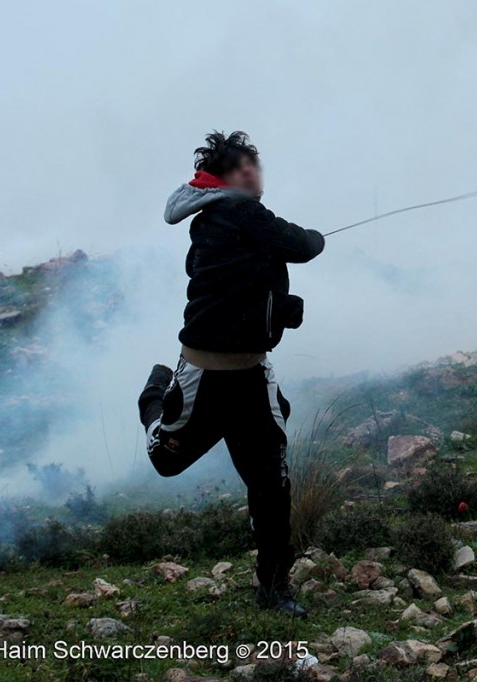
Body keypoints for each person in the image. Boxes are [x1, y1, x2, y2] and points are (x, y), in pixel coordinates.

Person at [137, 131, 325, 618]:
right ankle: (154, 394)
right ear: (220, 179)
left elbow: (238, 282)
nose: (250, 172)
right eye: (238, 166)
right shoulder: (237, 211)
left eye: (253, 163)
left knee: (271, 483)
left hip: (251, 376)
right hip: (206, 375)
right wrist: (315, 240)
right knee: (166, 461)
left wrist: (277, 310)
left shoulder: (224, 221)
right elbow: (300, 245)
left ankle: (274, 587)